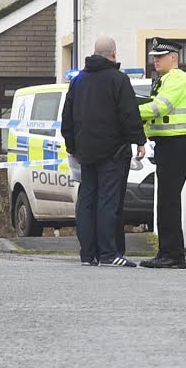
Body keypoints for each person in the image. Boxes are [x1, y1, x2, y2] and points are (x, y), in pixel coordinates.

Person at [61, 35, 146, 268]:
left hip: (85, 152)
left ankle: (88, 254)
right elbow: (129, 113)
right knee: (108, 202)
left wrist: (72, 145)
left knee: (87, 201)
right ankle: (109, 253)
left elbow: (66, 115)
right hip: (113, 152)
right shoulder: (118, 79)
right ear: (114, 54)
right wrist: (139, 140)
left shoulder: (78, 81)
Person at [137, 38, 186, 269]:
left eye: (160, 57)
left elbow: (159, 107)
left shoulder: (177, 78)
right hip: (166, 145)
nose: (155, 61)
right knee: (165, 201)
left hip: (176, 145)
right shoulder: (164, 79)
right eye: (154, 57)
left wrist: (127, 110)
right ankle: (166, 252)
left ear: (173, 58)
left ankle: (173, 255)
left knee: (169, 202)